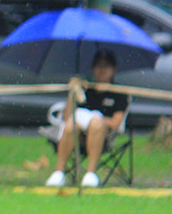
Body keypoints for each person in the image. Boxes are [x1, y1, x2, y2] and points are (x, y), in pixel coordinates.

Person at [45, 49, 127, 188]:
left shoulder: (119, 93)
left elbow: (115, 122)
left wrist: (95, 118)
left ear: (113, 69)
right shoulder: (86, 89)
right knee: (71, 125)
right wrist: (73, 92)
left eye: (106, 66)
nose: (102, 70)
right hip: (78, 134)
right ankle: (59, 172)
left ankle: (90, 173)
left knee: (96, 124)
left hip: (103, 136)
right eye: (98, 66)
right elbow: (66, 117)